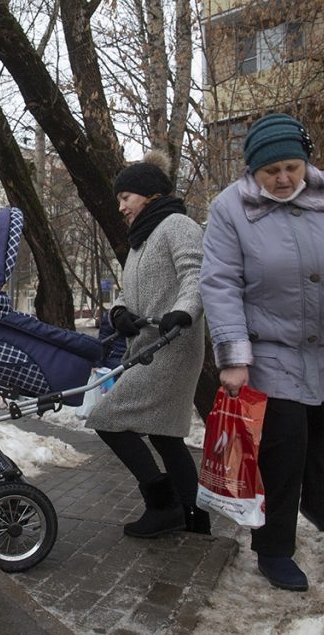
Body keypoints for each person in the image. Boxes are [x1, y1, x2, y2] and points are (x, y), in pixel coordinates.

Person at [199, 113, 324, 592]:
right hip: (271, 355)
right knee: (282, 455)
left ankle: (322, 509)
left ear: (305, 163)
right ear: (252, 172)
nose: (284, 179)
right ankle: (274, 548)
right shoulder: (229, 209)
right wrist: (234, 357)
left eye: (292, 168)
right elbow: (220, 284)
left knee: (323, 440)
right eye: (271, 172)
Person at [85, 150, 209, 538]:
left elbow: (197, 274)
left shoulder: (177, 225)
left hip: (174, 344)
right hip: (148, 346)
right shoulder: (140, 241)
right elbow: (127, 293)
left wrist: (184, 312)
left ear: (148, 194)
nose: (121, 206)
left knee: (106, 419)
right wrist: (119, 313)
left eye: (125, 197)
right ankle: (194, 518)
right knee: (166, 435)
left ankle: (163, 505)